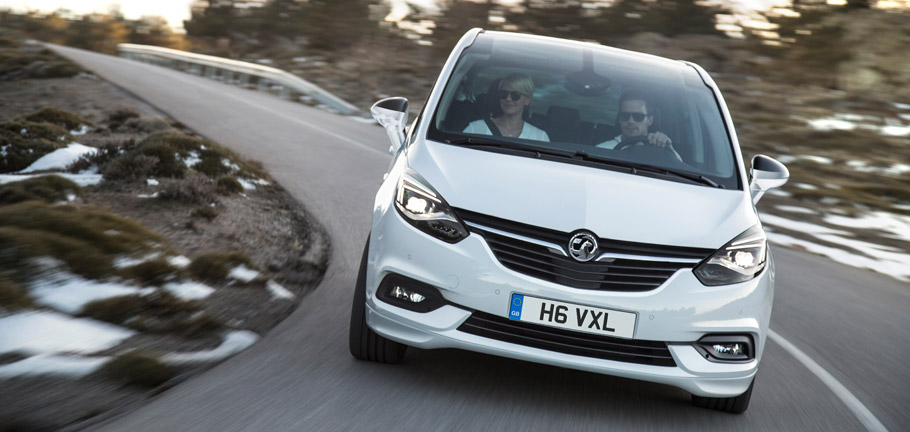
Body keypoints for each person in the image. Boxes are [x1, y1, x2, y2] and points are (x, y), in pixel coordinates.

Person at [596, 90, 682, 161]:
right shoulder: (602, 150)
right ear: (619, 118)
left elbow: (680, 168)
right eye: (625, 116)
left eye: (638, 117)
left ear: (650, 120)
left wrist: (669, 148)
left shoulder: (661, 150)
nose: (631, 121)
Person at [463, 73, 550, 141]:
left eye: (515, 95)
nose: (508, 99)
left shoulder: (540, 137)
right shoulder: (475, 129)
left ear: (527, 100)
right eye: (503, 94)